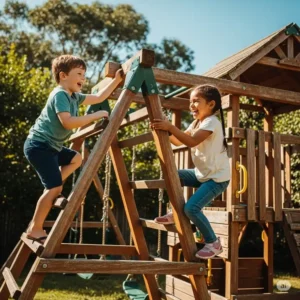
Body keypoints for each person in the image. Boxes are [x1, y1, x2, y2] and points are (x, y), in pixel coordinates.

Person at [24, 54, 123, 243]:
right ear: (63, 76)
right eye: (79, 73)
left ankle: (53, 187)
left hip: (51, 147)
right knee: (54, 187)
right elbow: (68, 122)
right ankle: (35, 228)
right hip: (39, 146)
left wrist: (117, 80)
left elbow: (100, 96)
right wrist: (98, 115)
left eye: (84, 74)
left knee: (76, 158)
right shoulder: (60, 94)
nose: (83, 78)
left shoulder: (74, 97)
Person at [151, 85, 230, 259]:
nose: (191, 105)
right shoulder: (196, 122)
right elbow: (178, 141)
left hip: (216, 178)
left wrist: (170, 127)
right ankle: (175, 212)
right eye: (190, 102)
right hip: (202, 174)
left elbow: (192, 141)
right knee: (173, 175)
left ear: (210, 104)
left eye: (196, 101)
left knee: (192, 209)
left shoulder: (212, 122)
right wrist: (162, 129)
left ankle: (213, 243)